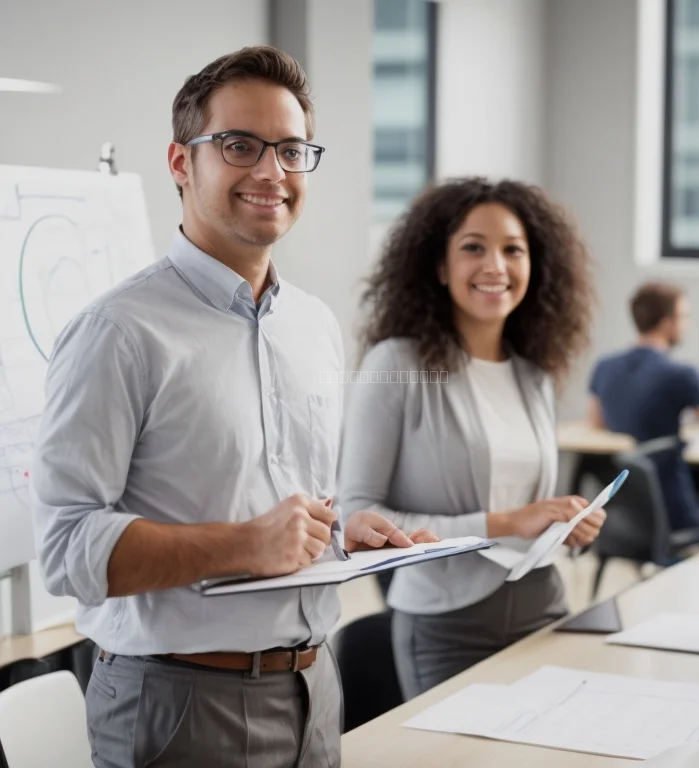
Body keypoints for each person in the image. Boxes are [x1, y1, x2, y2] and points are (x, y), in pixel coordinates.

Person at [31, 46, 433, 768]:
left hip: (315, 688)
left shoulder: (312, 325)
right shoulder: (118, 332)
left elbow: (286, 510)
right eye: (239, 145)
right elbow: (65, 549)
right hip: (181, 701)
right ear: (182, 163)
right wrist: (245, 545)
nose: (271, 171)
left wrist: (343, 532)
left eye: (291, 149)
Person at [338, 177, 606, 700]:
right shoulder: (396, 365)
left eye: (513, 250)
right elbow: (359, 517)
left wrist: (562, 524)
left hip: (543, 608)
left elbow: (530, 510)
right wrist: (506, 523)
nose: (495, 266)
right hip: (446, 626)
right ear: (439, 266)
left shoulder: (534, 376)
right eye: (473, 248)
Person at [589, 281, 699, 533]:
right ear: (666, 322)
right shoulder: (681, 374)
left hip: (624, 512)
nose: (686, 324)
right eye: (683, 316)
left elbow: (597, 421)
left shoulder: (604, 367)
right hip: (674, 511)